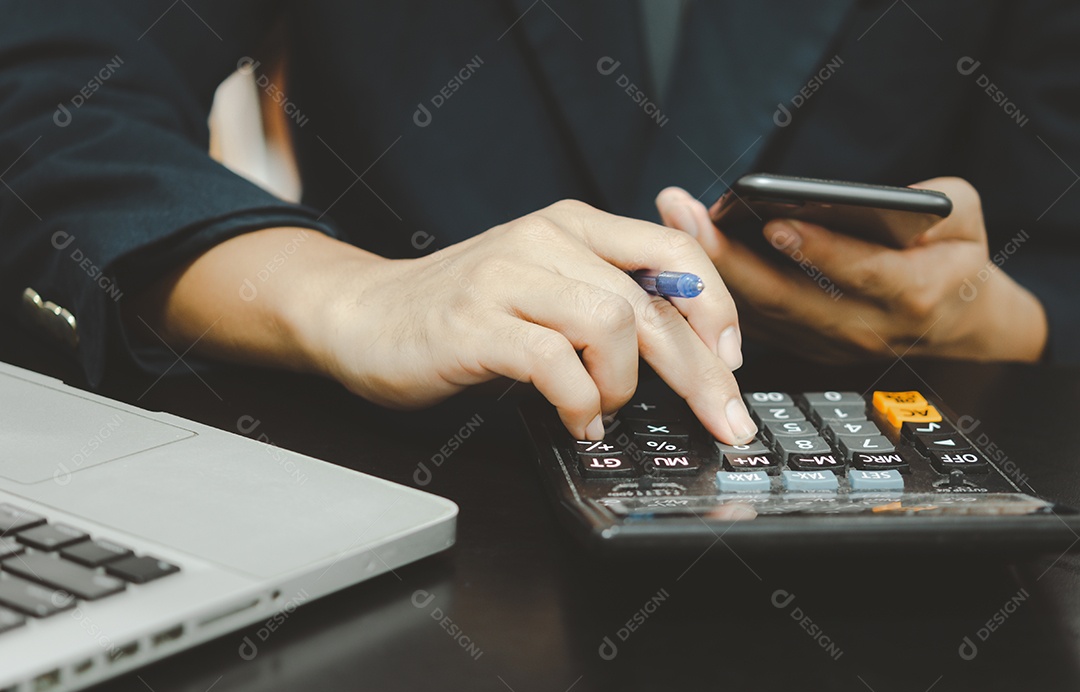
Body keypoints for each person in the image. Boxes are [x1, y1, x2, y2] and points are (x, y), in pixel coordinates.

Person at [1, 1, 1077, 445]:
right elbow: (54, 99)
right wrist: (353, 296)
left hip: (914, 536)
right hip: (405, 499)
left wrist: (988, 320)